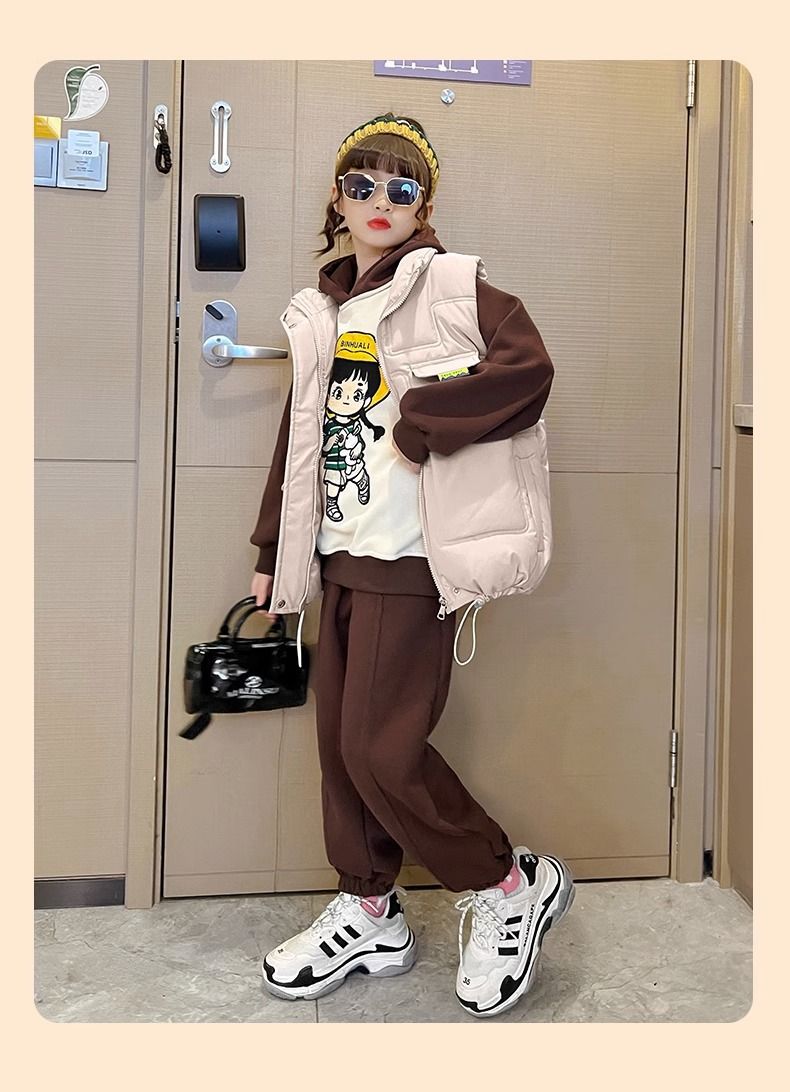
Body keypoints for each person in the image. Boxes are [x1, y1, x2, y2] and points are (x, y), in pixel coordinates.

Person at [249, 112, 575, 1018]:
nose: (380, 202)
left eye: (402, 188)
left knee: (380, 750)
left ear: (423, 204)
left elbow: (528, 371)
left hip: (408, 555)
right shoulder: (323, 309)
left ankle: (507, 884)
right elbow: (299, 441)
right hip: (338, 552)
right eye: (362, 185)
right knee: (339, 752)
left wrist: (425, 424)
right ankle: (370, 910)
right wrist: (275, 549)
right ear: (338, 198)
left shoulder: (454, 284)